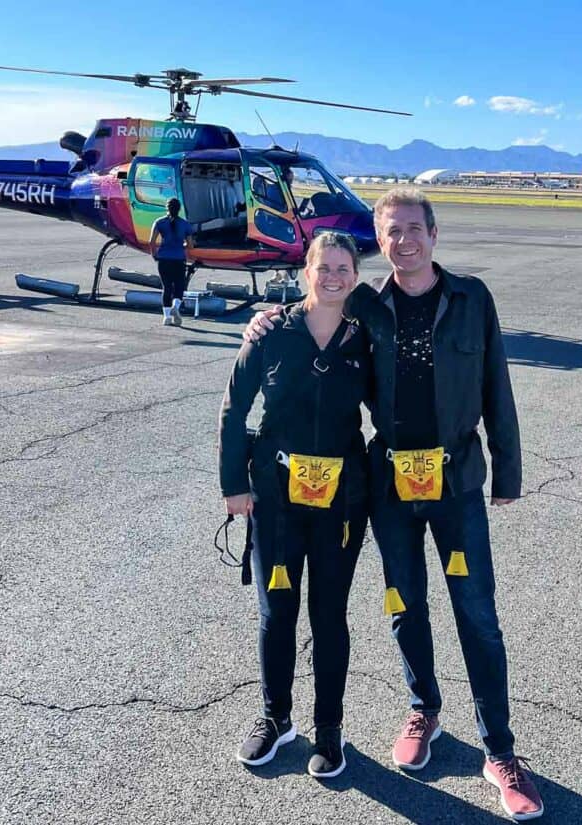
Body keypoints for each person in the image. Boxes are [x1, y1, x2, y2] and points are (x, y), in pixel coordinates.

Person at [245, 188, 543, 820]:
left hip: (456, 480)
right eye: (390, 231)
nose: (402, 240)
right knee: (405, 606)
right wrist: (264, 319)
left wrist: (506, 473)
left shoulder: (472, 299)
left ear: (433, 235)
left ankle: (500, 751)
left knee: (477, 614)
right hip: (389, 484)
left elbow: (497, 386)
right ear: (377, 240)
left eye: (413, 228)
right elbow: (309, 312)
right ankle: (424, 710)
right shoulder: (364, 307)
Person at [218, 231, 371, 779]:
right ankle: (274, 717)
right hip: (277, 500)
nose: (332, 277)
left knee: (329, 615)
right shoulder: (271, 332)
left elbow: (399, 404)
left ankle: (330, 729)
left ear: (355, 276)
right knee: (277, 610)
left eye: (343, 268)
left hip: (341, 504)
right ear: (306, 272)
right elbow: (235, 410)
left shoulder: (366, 336)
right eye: (322, 267)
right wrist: (233, 485)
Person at [148, 198, 194, 327]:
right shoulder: (185, 224)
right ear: (179, 209)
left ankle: (167, 317)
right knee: (179, 285)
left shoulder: (159, 222)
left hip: (164, 259)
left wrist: (154, 255)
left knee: (166, 287)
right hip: (179, 259)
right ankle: (176, 306)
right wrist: (182, 245)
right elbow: (190, 245)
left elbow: (151, 242)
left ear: (166, 208)